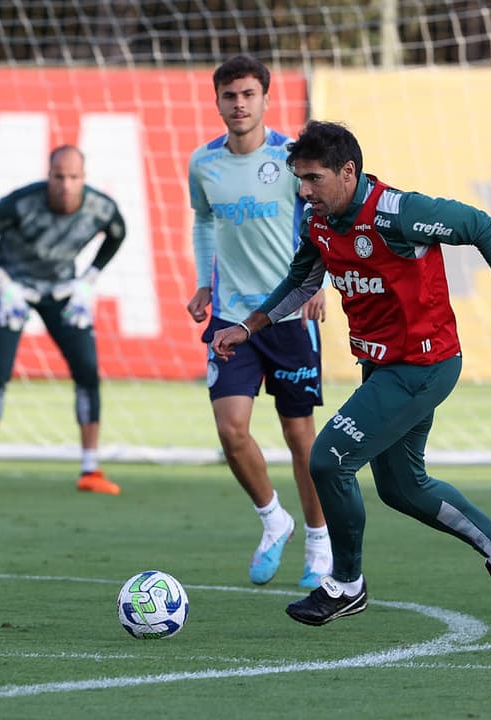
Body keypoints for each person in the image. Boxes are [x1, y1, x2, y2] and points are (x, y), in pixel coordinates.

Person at [211, 120, 491, 625]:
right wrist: (249, 326)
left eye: (314, 179)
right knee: (401, 487)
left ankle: (346, 584)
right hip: (382, 366)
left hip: (423, 364)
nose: (304, 191)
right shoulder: (317, 221)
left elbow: (480, 226)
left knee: (328, 459)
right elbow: (303, 280)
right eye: (298, 179)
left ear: (348, 172)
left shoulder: (400, 214)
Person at [186, 54, 333, 589]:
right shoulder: (204, 164)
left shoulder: (293, 160)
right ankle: (274, 519)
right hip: (230, 318)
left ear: (266, 99)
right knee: (231, 429)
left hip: (290, 316)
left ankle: (319, 542)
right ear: (219, 101)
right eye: (230, 95)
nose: (239, 104)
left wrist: (322, 284)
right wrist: (205, 280)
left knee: (300, 438)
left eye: (248, 94)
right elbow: (204, 221)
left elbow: (326, 222)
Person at [0, 145, 125, 495]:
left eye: (73, 177)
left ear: (84, 178)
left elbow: (117, 235)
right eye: (58, 176)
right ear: (48, 175)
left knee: (87, 370)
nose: (65, 185)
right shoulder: (22, 204)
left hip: (63, 290)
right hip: (13, 289)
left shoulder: (101, 208)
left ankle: (89, 469)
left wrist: (89, 280)